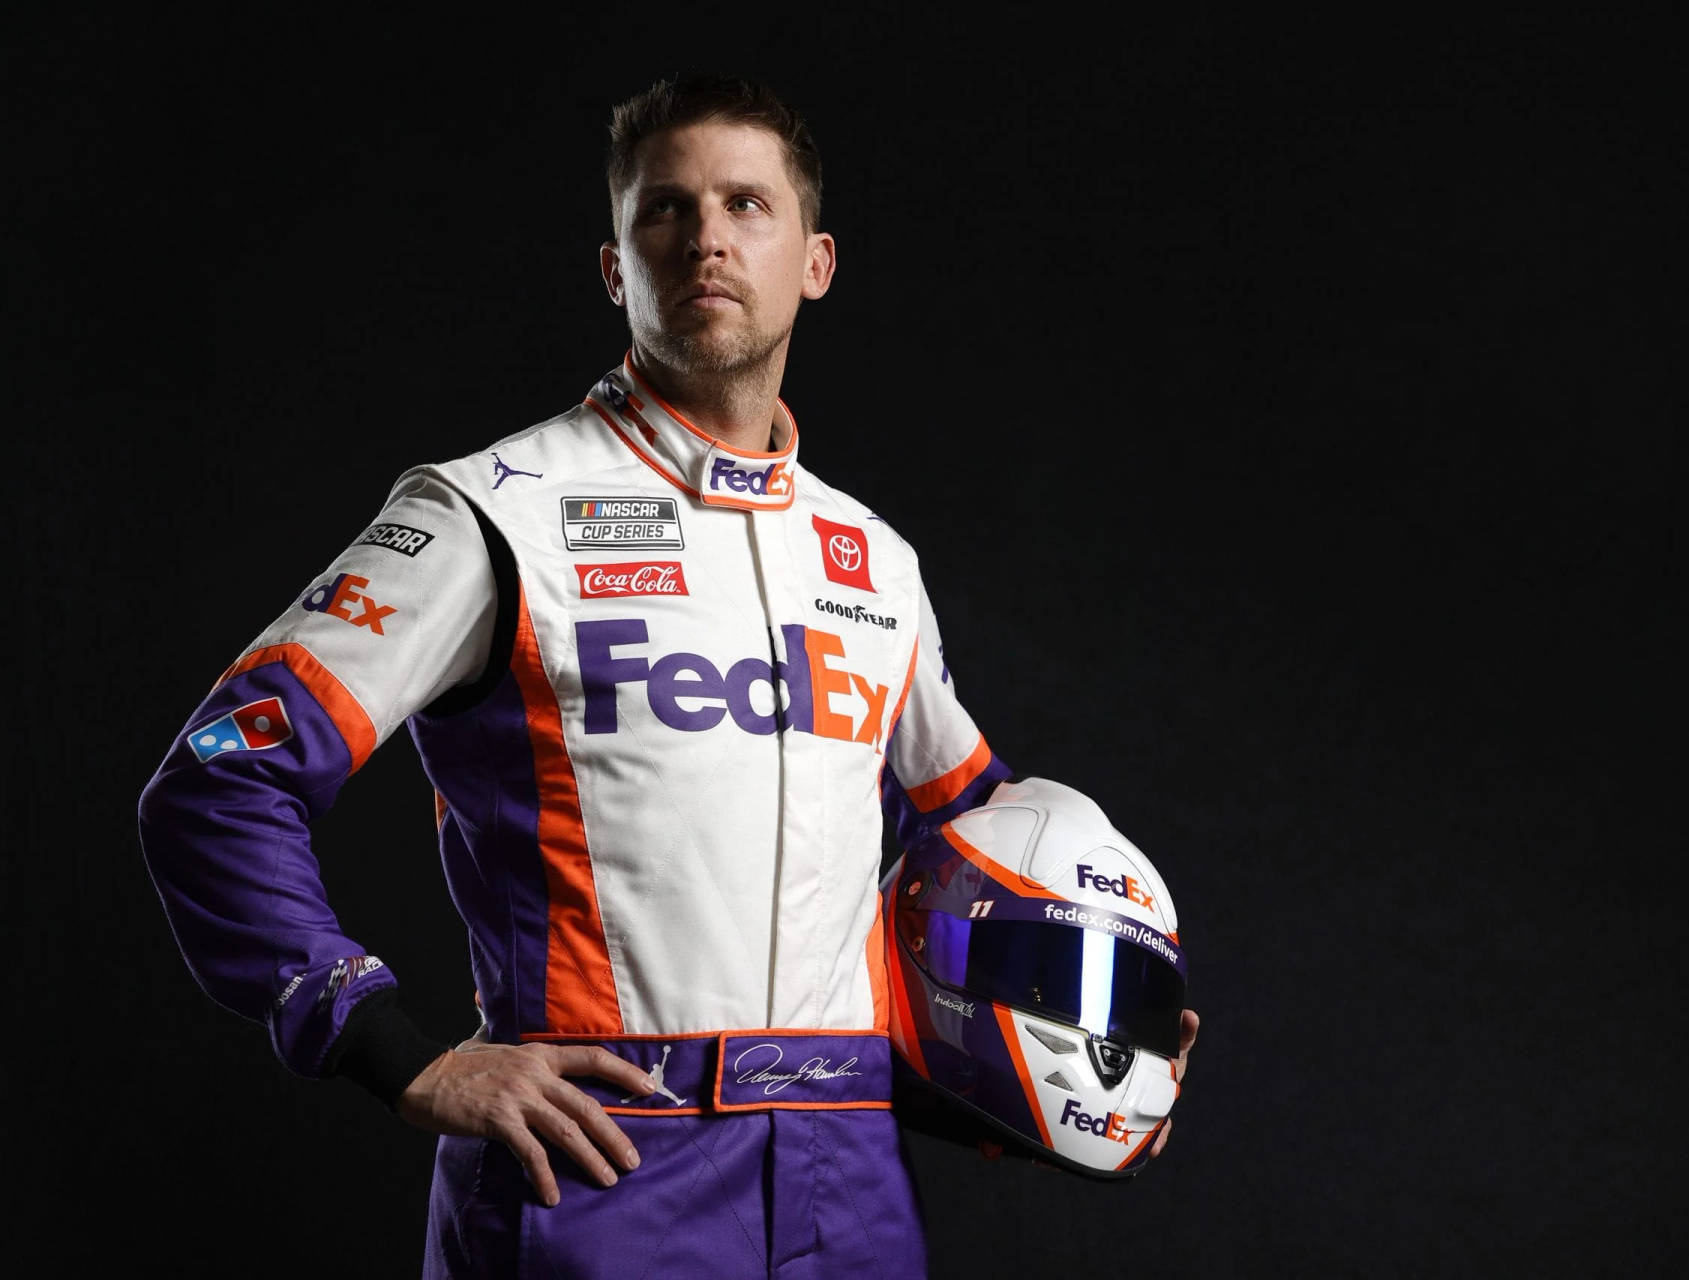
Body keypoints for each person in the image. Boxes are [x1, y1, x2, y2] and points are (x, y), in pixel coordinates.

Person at [137, 72, 1198, 1278]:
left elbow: (983, 834)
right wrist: (391, 1047)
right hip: (597, 1162)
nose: (706, 238)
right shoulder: (489, 513)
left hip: (848, 1171)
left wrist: (1094, 1029)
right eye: (665, 210)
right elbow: (220, 779)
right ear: (615, 266)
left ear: (816, 261)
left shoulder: (875, 562)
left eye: (747, 204)